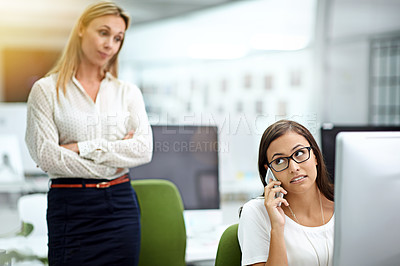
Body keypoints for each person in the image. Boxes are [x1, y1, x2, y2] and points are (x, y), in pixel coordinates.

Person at [25, 1, 153, 265]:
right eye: (103, 33)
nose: (110, 44)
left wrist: (81, 148)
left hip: (120, 207)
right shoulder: (46, 91)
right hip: (71, 207)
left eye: (118, 38)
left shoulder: (127, 92)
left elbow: (143, 149)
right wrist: (114, 161)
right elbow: (48, 158)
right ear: (81, 29)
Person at [238, 120, 334, 266]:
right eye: (279, 161)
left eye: (299, 153)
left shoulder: (344, 202)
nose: (293, 168)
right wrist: (277, 227)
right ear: (269, 172)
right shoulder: (256, 212)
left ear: (314, 155)